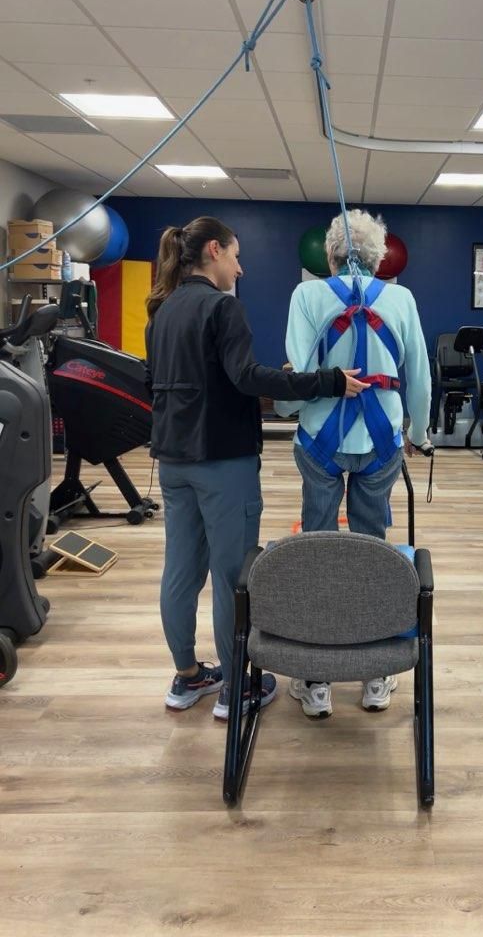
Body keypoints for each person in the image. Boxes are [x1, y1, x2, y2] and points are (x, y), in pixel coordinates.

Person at [144, 216, 367, 721]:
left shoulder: (161, 311)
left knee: (180, 571)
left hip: (173, 461)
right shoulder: (224, 308)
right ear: (215, 252)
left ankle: (188, 676)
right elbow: (245, 378)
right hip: (222, 464)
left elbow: (161, 384)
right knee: (231, 576)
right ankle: (235, 689)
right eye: (237, 257)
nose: (241, 268)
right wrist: (325, 381)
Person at [275, 209, 431, 720]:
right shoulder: (403, 298)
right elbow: (421, 375)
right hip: (382, 439)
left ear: (332, 253)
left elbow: (297, 373)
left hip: (320, 436)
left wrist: (287, 408)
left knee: (316, 545)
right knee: (371, 548)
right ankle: (375, 675)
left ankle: (315, 678)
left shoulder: (306, 296)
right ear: (379, 254)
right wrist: (419, 433)